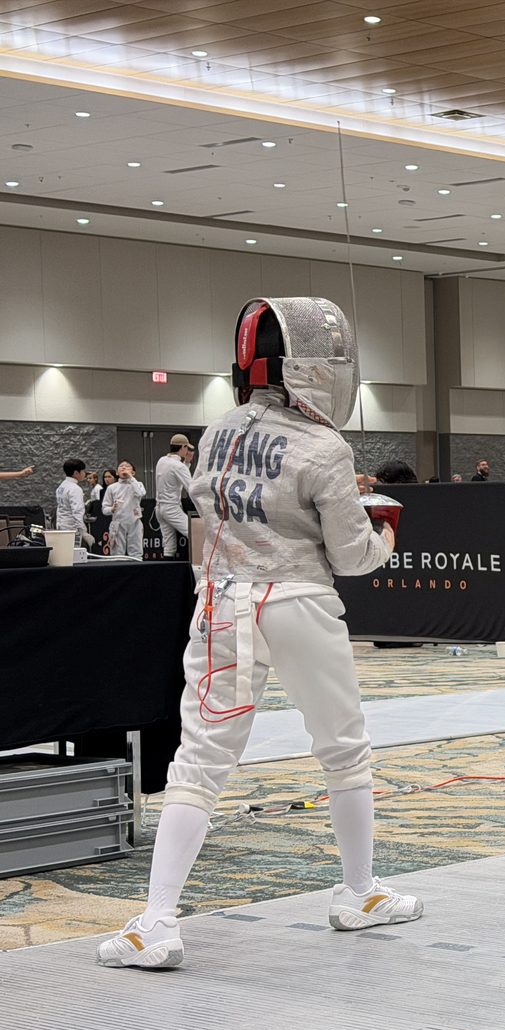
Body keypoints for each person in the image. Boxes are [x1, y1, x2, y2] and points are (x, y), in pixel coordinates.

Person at [96, 296, 421, 971]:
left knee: (200, 758)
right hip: (299, 602)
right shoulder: (325, 446)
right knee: (343, 748)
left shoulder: (217, 431)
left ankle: (156, 922)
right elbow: (352, 555)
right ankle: (359, 892)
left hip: (223, 603)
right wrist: (386, 535)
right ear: (309, 369)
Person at [154, 434, 195, 559]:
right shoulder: (179, 466)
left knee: (169, 546)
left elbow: (176, 477)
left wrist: (187, 462)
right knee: (194, 534)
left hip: (159, 508)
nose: (187, 451)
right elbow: (191, 487)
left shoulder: (162, 460)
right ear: (183, 447)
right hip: (171, 508)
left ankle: (167, 570)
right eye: (186, 448)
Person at [104, 461, 146, 558]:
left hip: (134, 521)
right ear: (117, 472)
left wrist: (130, 477)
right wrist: (112, 509)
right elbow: (104, 509)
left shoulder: (138, 484)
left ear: (133, 472)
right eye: (121, 466)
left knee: (136, 553)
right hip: (118, 523)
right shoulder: (112, 488)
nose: (124, 467)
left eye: (127, 466)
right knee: (117, 554)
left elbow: (140, 493)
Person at [55, 458, 89, 547]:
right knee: (73, 552)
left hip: (61, 525)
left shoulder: (61, 486)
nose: (84, 473)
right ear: (76, 473)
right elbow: (77, 511)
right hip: (72, 528)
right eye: (83, 471)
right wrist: (83, 531)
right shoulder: (75, 489)